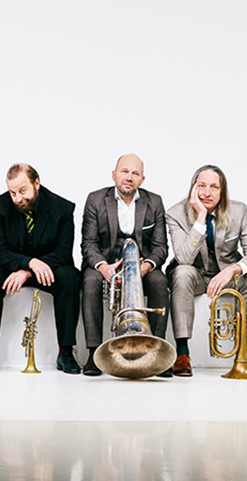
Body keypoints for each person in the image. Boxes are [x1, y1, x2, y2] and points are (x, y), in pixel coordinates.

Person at [165, 165, 247, 376]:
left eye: (214, 187)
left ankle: (244, 353)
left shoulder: (238, 211)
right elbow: (184, 258)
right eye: (201, 185)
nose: (206, 192)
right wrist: (200, 217)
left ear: (223, 191)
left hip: (226, 275)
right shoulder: (175, 214)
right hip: (195, 274)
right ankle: (182, 354)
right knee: (182, 272)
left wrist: (233, 270)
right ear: (193, 188)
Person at [0, 164, 80, 374]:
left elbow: (63, 252)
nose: (17, 199)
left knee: (69, 276)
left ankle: (66, 352)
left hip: (46, 268)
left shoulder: (62, 208)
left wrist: (27, 270)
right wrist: (28, 262)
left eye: (22, 191)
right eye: (12, 192)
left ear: (37, 183)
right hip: (10, 266)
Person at [80, 153, 170, 376]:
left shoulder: (155, 201)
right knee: (90, 281)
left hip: (141, 267)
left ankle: (156, 349)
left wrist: (145, 268)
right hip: (106, 264)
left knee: (159, 281)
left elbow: (160, 247)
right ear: (114, 175)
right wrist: (104, 267)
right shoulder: (95, 199)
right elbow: (88, 243)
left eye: (135, 173)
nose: (129, 177)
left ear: (142, 179)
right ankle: (93, 353)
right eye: (124, 171)